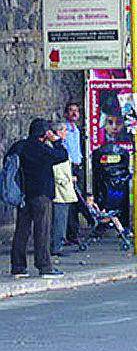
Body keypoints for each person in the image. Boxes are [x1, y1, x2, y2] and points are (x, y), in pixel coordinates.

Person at [11, 119, 68, 278]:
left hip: (22, 194)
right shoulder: (42, 148)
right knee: (42, 230)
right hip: (41, 194)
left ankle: (18, 266)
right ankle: (45, 266)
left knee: (21, 230)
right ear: (45, 133)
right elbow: (62, 156)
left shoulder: (20, 146)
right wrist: (56, 141)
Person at [49, 121, 77, 257]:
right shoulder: (56, 147)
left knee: (61, 217)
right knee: (59, 218)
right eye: (64, 130)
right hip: (60, 187)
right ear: (59, 132)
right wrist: (65, 180)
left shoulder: (59, 146)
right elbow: (57, 168)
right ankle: (56, 246)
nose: (66, 133)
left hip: (63, 185)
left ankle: (58, 243)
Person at [62, 101, 83, 245]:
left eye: (76, 111)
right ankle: (69, 233)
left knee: (76, 201)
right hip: (69, 167)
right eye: (71, 111)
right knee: (70, 201)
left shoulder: (76, 130)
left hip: (77, 165)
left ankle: (73, 232)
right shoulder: (64, 129)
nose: (74, 113)